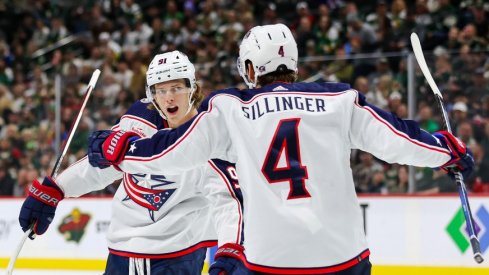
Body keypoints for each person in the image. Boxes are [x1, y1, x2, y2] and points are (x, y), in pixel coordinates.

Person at [86, 24, 474, 275]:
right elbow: (399, 139)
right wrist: (445, 150)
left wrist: (119, 149)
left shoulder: (231, 107)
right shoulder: (340, 100)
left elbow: (171, 151)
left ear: (251, 69)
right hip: (344, 259)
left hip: (271, 261)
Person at [18, 51, 243, 275]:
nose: (169, 98)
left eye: (176, 88)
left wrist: (229, 250)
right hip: (121, 252)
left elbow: (227, 200)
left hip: (177, 256)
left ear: (193, 88)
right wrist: (56, 189)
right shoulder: (140, 118)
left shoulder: (210, 134)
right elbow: (104, 165)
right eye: (160, 90)